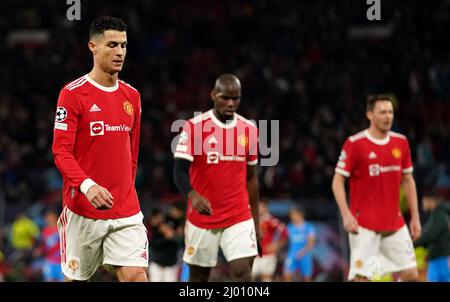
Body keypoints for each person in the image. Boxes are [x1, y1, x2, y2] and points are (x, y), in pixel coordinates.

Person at [52, 16, 148, 282]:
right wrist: (87, 186)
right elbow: (61, 152)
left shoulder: (133, 97)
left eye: (124, 45)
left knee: (136, 275)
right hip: (83, 209)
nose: (120, 52)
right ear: (93, 47)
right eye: (112, 45)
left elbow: (133, 154)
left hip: (126, 209)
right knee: (77, 279)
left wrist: (127, 190)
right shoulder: (72, 94)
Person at [173, 74, 260, 282]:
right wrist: (193, 196)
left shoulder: (249, 129)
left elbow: (251, 178)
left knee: (242, 272)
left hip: (238, 215)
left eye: (236, 98)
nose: (231, 103)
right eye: (225, 98)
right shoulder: (194, 127)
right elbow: (179, 170)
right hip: (203, 216)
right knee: (199, 278)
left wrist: (255, 223)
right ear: (213, 95)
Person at [331, 94, 421, 282]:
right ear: (370, 114)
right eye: (382, 112)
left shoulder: (401, 142)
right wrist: (346, 215)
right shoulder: (355, 144)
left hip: (394, 224)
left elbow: (408, 180)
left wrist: (415, 217)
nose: (388, 116)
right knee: (362, 279)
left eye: (390, 112)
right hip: (364, 226)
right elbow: (337, 181)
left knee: (411, 274)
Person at [414, 192, 450, 282]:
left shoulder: (439, 217)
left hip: (441, 257)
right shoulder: (439, 215)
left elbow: (429, 235)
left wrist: (412, 244)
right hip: (438, 257)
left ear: (431, 200)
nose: (423, 204)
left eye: (424, 200)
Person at [252, 198, 288, 281]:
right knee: (249, 277)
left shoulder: (271, 220)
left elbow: (285, 233)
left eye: (263, 206)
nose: (260, 208)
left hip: (267, 255)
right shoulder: (250, 219)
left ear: (266, 208)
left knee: (266, 277)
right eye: (258, 206)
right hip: (252, 254)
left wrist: (277, 245)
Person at [146, 207, 183, 282]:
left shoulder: (176, 224)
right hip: (156, 264)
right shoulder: (155, 227)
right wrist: (167, 236)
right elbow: (153, 243)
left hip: (171, 265)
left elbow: (180, 242)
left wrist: (173, 236)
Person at [283, 205, 316, 282]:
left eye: (293, 214)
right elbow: (285, 241)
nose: (292, 217)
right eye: (291, 215)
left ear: (300, 214)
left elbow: (311, 243)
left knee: (307, 278)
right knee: (287, 275)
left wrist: (302, 252)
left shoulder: (309, 227)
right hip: (292, 255)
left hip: (305, 256)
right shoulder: (289, 227)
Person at [35, 208, 65, 282]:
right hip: (50, 262)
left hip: (62, 263)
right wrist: (39, 250)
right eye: (47, 217)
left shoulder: (62, 229)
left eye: (51, 216)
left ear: (55, 217)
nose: (49, 218)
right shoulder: (44, 231)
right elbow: (42, 245)